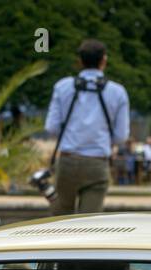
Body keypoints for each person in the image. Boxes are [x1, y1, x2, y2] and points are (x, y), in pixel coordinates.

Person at [44, 39, 131, 216]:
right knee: (88, 223)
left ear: (80, 61)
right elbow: (121, 136)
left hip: (67, 161)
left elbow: (51, 127)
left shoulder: (62, 86)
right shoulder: (118, 92)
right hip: (97, 163)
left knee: (60, 221)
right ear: (104, 60)